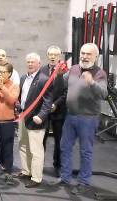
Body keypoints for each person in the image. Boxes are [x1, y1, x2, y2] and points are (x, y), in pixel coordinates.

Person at [58, 43, 107, 195]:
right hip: (70, 115)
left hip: (88, 118)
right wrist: (59, 74)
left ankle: (83, 182)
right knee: (65, 147)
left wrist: (92, 82)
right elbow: (63, 83)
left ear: (95, 57)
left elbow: (103, 94)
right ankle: (65, 177)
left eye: (88, 54)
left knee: (86, 151)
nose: (84, 57)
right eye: (82, 53)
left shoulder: (100, 73)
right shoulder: (73, 68)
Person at [17, 53, 52, 188]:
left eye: (33, 62)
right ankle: (26, 171)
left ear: (39, 64)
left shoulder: (44, 79)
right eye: (28, 62)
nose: (30, 64)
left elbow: (47, 102)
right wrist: (18, 105)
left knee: (36, 150)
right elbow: (22, 97)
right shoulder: (23, 78)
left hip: (36, 120)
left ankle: (36, 178)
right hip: (23, 116)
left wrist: (41, 116)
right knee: (23, 145)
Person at [40, 45, 66, 178]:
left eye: (55, 55)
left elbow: (67, 92)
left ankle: (58, 166)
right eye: (50, 54)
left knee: (59, 140)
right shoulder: (42, 70)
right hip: (44, 111)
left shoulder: (65, 71)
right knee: (41, 139)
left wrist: (56, 104)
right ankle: (39, 165)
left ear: (59, 56)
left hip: (59, 110)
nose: (52, 57)